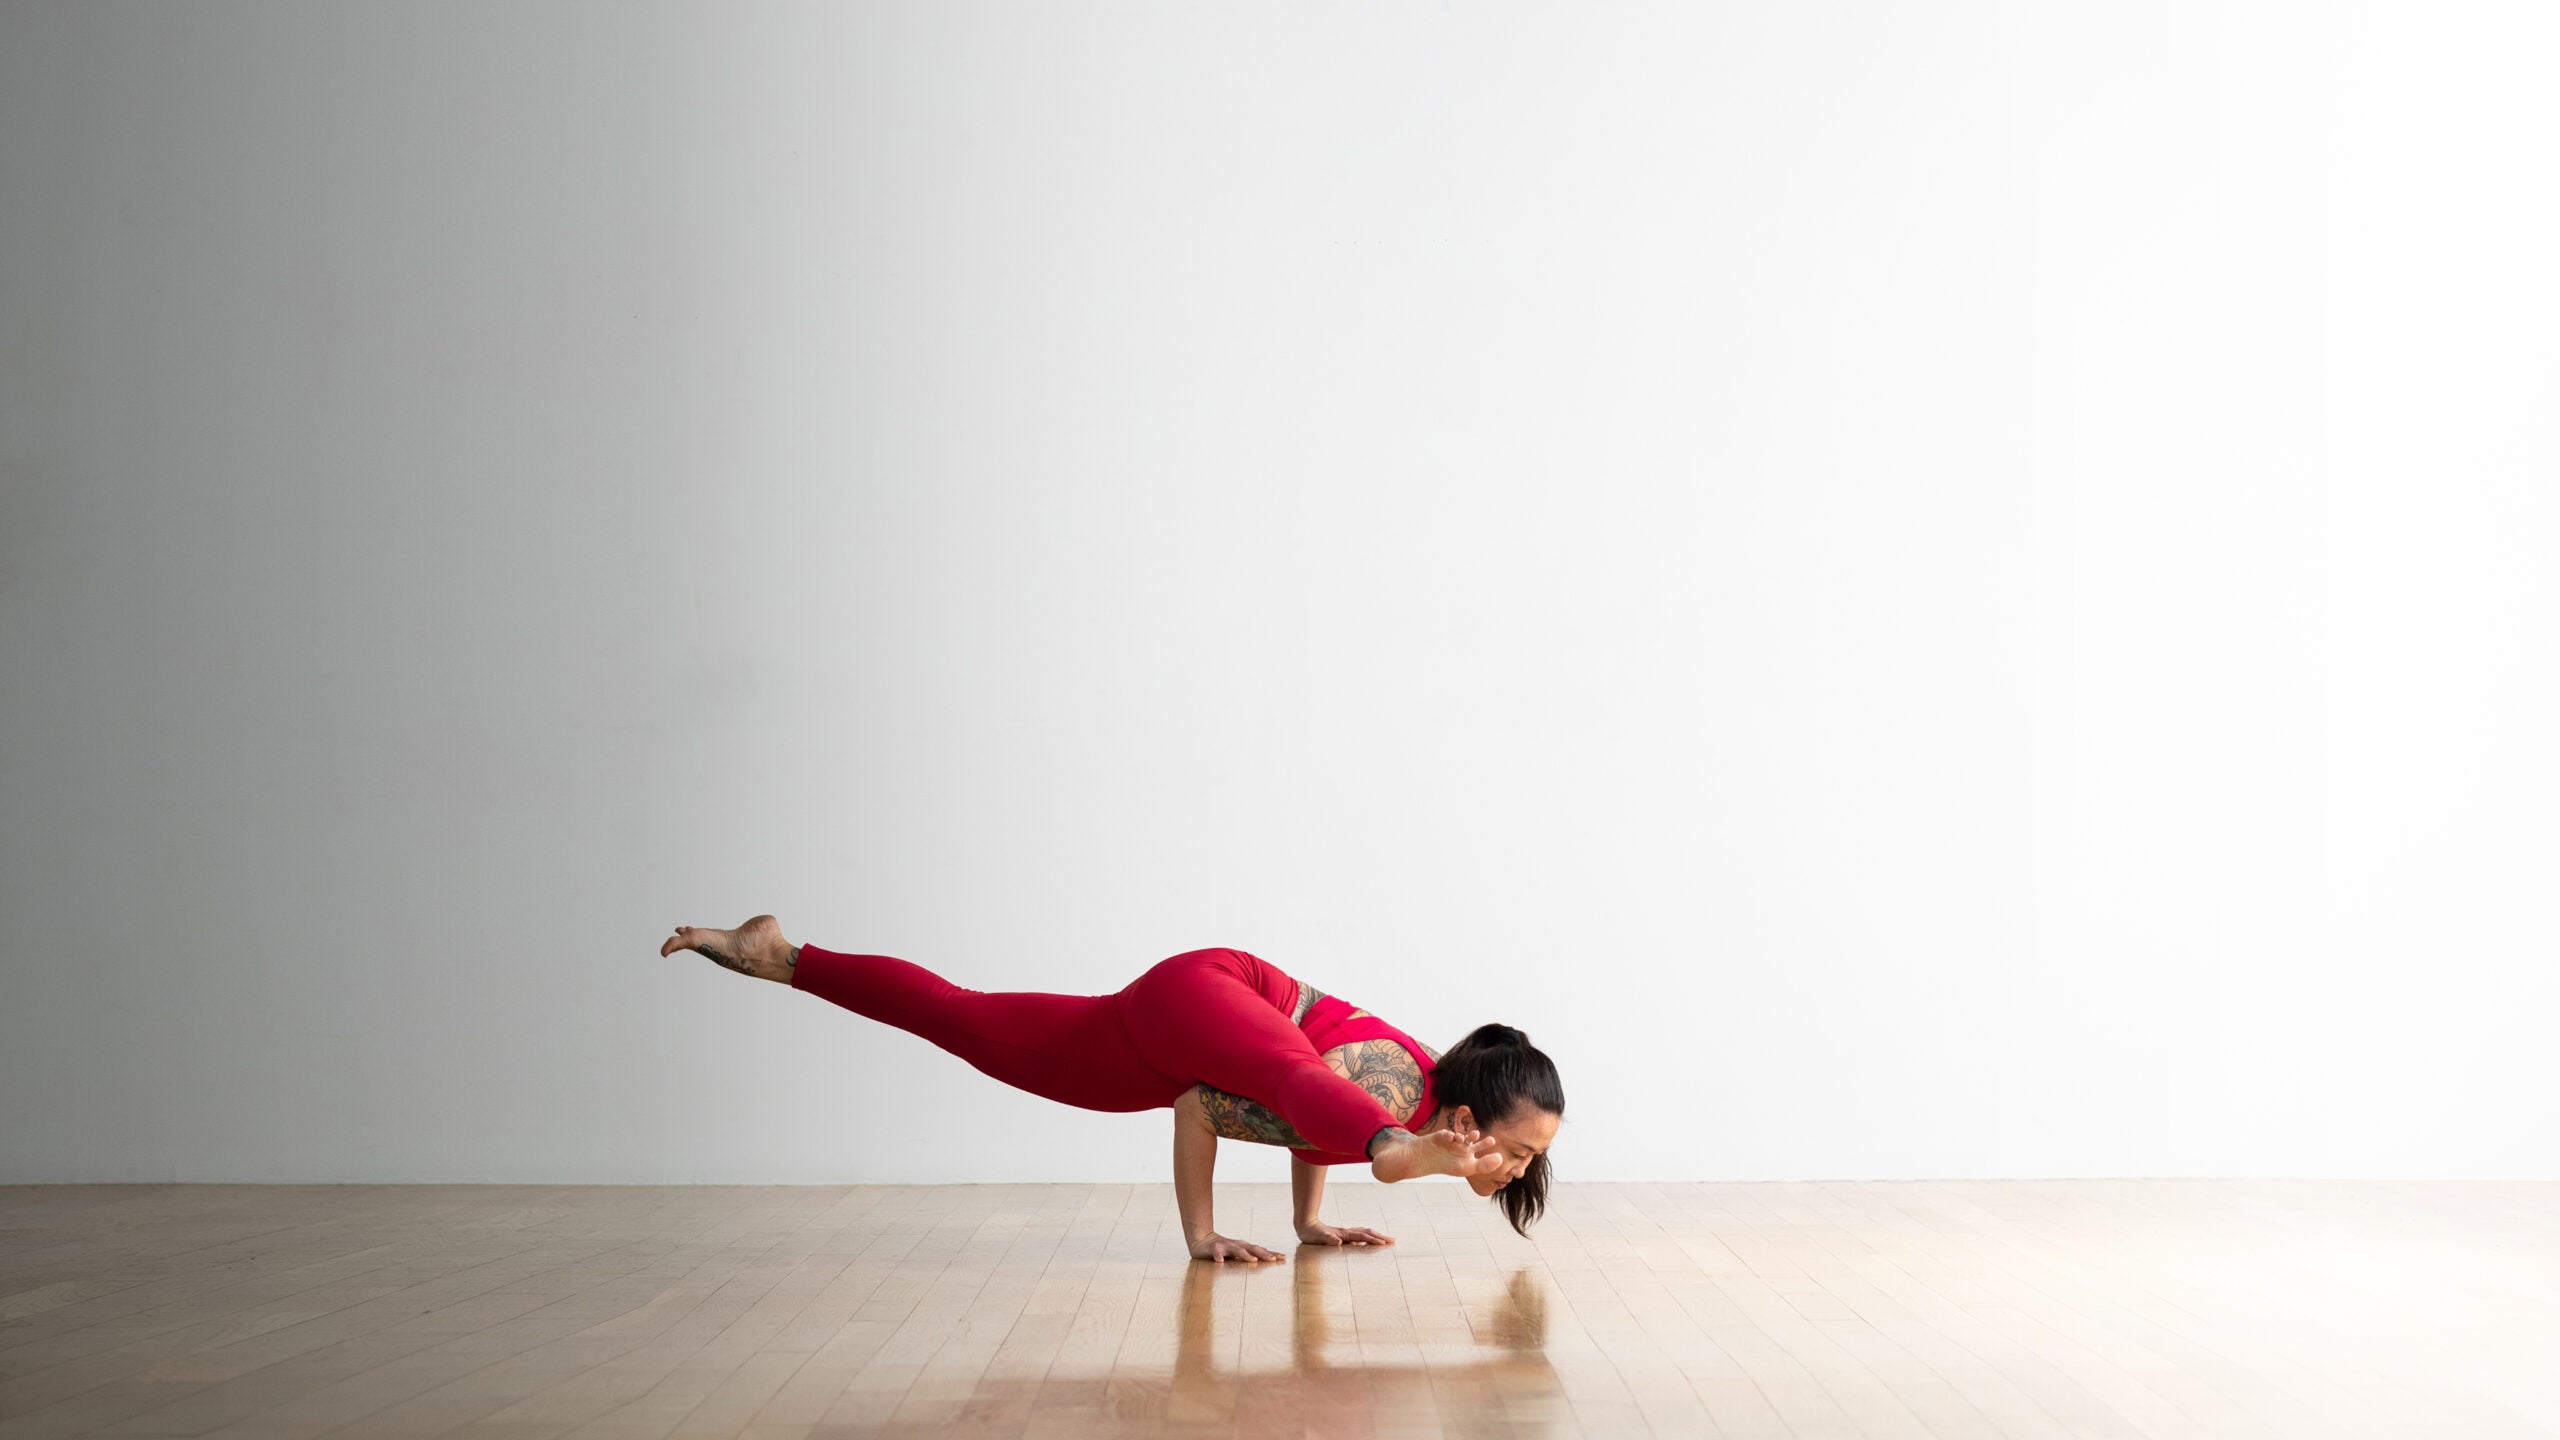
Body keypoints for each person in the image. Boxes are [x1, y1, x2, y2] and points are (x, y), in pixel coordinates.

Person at [659, 915, 1565, 1262]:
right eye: (1517, 1151)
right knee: (1296, 1083)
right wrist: (1203, 1235)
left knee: (965, 1023)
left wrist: (1306, 1224)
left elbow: (1295, 1121)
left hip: (1173, 1034)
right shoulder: (1397, 1083)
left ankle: (781, 955)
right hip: (1215, 998)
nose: (1517, 1171)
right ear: (1456, 1119)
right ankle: (1393, 1159)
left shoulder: (1404, 1097)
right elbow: (1222, 1104)